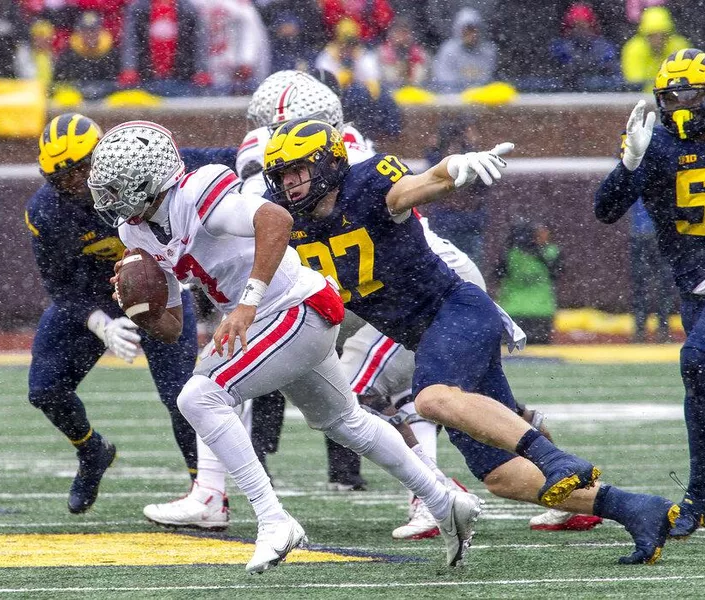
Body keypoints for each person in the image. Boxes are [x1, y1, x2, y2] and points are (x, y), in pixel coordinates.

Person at [263, 117, 683, 565]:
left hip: (458, 309)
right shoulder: (284, 218)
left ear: (327, 162)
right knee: (500, 476)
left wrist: (455, 167)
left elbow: (420, 184)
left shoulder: (367, 184)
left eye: (297, 170)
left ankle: (555, 457)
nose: (288, 183)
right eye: (281, 174)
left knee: (432, 399)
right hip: (430, 336)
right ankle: (638, 509)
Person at [91, 119, 483, 573]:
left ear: (149, 179)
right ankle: (444, 500)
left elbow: (275, 219)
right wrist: (141, 310)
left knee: (199, 396)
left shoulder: (196, 192)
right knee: (345, 421)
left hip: (295, 305)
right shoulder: (136, 233)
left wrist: (247, 304)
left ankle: (273, 520)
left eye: (118, 187)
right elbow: (173, 328)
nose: (109, 199)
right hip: (279, 316)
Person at [242, 69, 599, 538]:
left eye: (274, 122)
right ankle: (572, 489)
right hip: (383, 291)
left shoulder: (340, 164)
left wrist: (454, 172)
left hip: (416, 286)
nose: (269, 136)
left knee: (357, 393)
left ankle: (433, 494)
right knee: (473, 404)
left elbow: (416, 185)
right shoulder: (297, 167)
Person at [25, 113, 237, 515]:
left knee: (181, 395)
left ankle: (205, 491)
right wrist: (97, 321)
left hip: (161, 289)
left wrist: (257, 156)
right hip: (92, 297)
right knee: (45, 389)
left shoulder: (141, 165)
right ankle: (92, 452)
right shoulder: (47, 211)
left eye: (80, 170)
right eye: (62, 177)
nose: (74, 183)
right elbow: (59, 286)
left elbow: (224, 158)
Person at [596, 48, 705, 538]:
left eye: (690, 92)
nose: (680, 104)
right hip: (699, 287)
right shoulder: (655, 145)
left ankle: (698, 499)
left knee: (697, 360)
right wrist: (629, 163)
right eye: (670, 95)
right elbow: (604, 210)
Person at [494, 220, 561, 345]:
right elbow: (556, 272)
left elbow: (498, 275)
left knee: (511, 353)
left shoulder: (510, 254)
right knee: (540, 355)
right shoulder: (551, 252)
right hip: (538, 310)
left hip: (516, 310)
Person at [629, 199, 674, 343]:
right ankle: (662, 329)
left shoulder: (635, 180)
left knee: (641, 285)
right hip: (658, 234)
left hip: (641, 234)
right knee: (663, 285)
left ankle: (641, 331)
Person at [620, 6, 688, 92]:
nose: (658, 40)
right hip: (646, 100)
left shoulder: (680, 47)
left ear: (669, 34)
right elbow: (635, 83)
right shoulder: (633, 49)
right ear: (645, 35)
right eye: (653, 35)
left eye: (663, 35)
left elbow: (687, 79)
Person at [431, 8, 497, 91]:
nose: (472, 35)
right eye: (467, 31)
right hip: (455, 98)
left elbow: (490, 79)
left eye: (474, 30)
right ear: (459, 31)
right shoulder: (448, 50)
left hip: (482, 97)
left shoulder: (488, 51)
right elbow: (444, 79)